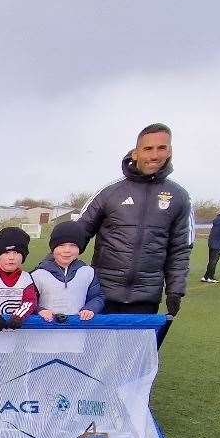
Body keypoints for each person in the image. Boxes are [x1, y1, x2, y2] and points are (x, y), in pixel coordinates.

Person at [74, 122, 192, 318]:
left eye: (161, 148)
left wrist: (175, 290)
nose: (154, 155)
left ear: (170, 151)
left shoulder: (179, 196)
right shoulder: (110, 192)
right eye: (148, 148)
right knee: (95, 349)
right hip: (101, 294)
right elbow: (74, 236)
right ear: (136, 153)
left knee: (135, 350)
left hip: (145, 297)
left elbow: (180, 249)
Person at [32, 222, 103, 321]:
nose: (67, 250)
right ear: (53, 248)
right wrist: (39, 310)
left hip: (77, 333)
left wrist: (90, 308)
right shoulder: (38, 274)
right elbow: (28, 301)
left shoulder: (88, 272)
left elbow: (97, 297)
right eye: (61, 245)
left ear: (80, 248)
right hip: (45, 332)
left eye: (73, 245)